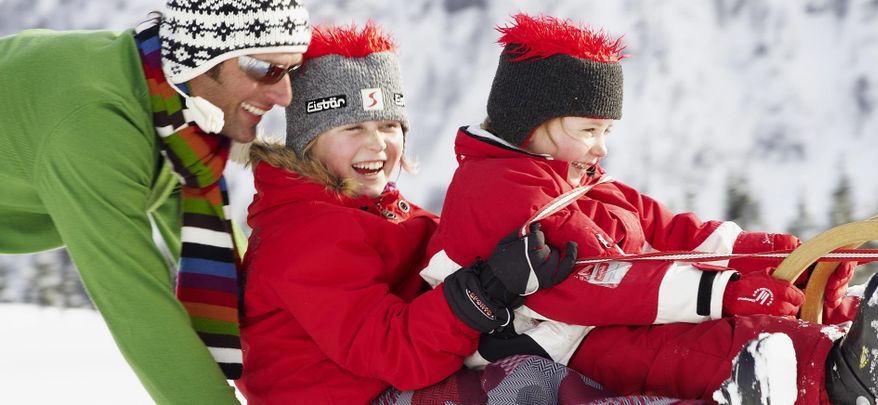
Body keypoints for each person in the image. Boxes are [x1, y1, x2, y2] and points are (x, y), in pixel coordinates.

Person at [421, 14, 878, 404]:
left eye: (606, 131)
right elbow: (592, 284)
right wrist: (724, 292)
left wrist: (765, 257)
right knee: (708, 346)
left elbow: (665, 230)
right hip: (558, 339)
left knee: (803, 302)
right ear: (530, 125)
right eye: (588, 131)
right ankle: (844, 377)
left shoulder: (572, 177)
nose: (602, 147)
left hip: (609, 318)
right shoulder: (502, 189)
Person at [236, 23, 578, 404]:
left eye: (389, 125)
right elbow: (394, 351)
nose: (377, 143)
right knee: (530, 383)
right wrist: (484, 290)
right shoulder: (303, 234)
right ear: (309, 143)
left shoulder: (385, 214)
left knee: (562, 360)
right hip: (351, 396)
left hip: (388, 385)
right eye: (352, 127)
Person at [0, 1, 310, 402]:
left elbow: (224, 260)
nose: (285, 94)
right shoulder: (96, 125)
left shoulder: (169, 107)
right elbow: (138, 305)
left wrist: (313, 346)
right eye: (263, 68)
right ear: (197, 58)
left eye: (292, 70)